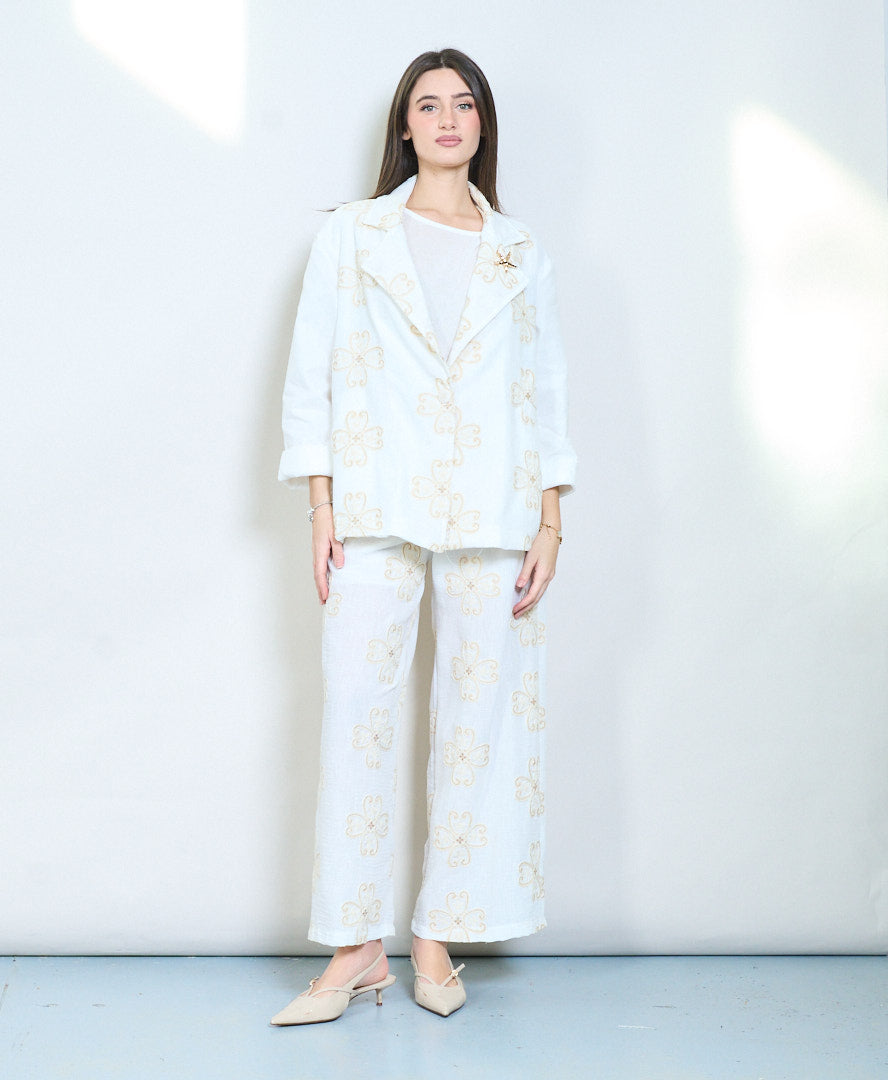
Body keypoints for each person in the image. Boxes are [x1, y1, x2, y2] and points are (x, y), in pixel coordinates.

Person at [271, 48, 576, 1025]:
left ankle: (441, 932)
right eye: (429, 104)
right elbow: (311, 368)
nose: (448, 118)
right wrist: (321, 506)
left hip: (494, 505)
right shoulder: (353, 235)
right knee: (356, 709)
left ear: (482, 123)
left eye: (464, 104)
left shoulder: (519, 250)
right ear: (404, 124)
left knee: (479, 721)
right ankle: (356, 946)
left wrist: (551, 517)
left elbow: (544, 389)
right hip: (374, 498)